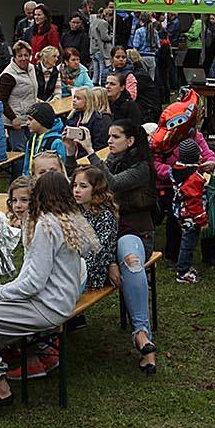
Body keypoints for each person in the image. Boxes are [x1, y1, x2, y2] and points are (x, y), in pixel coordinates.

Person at [0, 170, 98, 423]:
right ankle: (3, 366)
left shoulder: (47, 226)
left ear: (40, 195)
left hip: (45, 306)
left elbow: (32, 284)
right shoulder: (69, 219)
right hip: (56, 302)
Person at [86, 121, 159, 372]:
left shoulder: (141, 168)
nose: (109, 141)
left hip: (137, 234)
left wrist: (90, 153)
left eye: (115, 137)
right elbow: (82, 186)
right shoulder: (111, 161)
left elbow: (112, 184)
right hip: (105, 237)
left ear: (130, 141)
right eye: (108, 136)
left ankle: (142, 334)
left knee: (130, 259)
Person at [169, 137, 209, 285]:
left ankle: (184, 266)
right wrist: (202, 220)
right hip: (190, 216)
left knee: (186, 239)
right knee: (189, 242)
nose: (201, 157)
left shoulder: (175, 169)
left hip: (179, 210)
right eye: (198, 155)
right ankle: (183, 271)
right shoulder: (194, 179)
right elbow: (194, 202)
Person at [20, 102, 66, 176]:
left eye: (30, 119)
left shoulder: (56, 142)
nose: (27, 123)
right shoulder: (31, 142)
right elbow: (26, 167)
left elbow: (62, 168)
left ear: (41, 120)